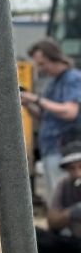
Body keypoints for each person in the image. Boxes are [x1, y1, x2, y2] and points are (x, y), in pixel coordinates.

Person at [21, 37, 81, 200]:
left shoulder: (72, 79)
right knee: (54, 196)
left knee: (63, 197)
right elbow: (46, 117)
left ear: (55, 58)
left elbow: (70, 111)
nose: (41, 69)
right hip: (51, 148)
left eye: (43, 64)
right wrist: (28, 105)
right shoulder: (53, 83)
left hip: (65, 149)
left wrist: (37, 100)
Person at [37, 139, 81, 253]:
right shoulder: (64, 185)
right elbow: (53, 222)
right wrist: (72, 212)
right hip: (76, 246)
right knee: (36, 237)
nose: (78, 173)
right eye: (72, 168)